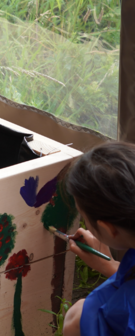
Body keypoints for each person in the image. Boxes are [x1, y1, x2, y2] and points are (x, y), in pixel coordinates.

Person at [63, 141, 135, 336]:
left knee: (77, 318)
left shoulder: (118, 311)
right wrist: (109, 265)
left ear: (107, 228)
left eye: (83, 216)